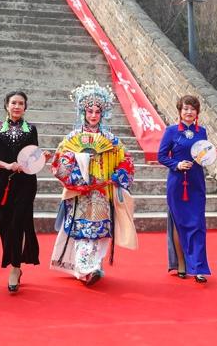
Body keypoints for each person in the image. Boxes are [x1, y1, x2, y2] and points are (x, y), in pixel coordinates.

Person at [49, 81, 135, 285]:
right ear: (83, 112)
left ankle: (93, 267)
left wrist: (118, 175)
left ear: (103, 113)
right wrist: (79, 175)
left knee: (100, 232)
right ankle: (85, 268)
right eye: (90, 111)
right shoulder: (73, 138)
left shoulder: (111, 140)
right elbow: (60, 163)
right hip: (80, 193)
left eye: (97, 111)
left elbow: (126, 160)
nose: (94, 115)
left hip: (103, 192)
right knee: (82, 230)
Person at [0, 91, 43, 293]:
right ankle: (14, 258)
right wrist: (8, 165)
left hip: (26, 183)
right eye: (13, 103)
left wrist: (42, 158)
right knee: (3, 221)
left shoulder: (31, 130)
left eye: (21, 103)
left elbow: (33, 155)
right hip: (5, 182)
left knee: (18, 222)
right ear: (7, 105)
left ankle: (15, 267)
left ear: (25, 107)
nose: (17, 106)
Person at [157, 95, 210, 283]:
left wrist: (211, 155)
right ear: (180, 111)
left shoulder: (202, 132)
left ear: (197, 112)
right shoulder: (171, 131)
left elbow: (202, 157)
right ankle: (181, 263)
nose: (189, 112)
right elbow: (161, 156)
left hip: (196, 183)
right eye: (185, 108)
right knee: (179, 224)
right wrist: (177, 164)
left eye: (192, 109)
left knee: (198, 225)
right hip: (177, 183)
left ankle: (198, 267)